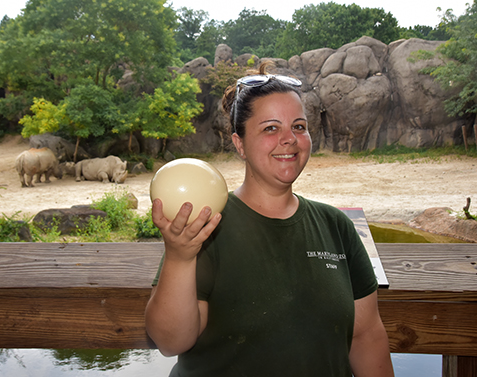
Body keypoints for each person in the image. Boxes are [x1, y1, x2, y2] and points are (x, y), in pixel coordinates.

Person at [145, 62, 394, 377]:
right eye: (271, 128)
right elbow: (170, 341)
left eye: (299, 126)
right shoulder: (207, 223)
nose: (289, 139)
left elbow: (366, 335)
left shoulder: (336, 226)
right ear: (240, 144)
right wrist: (180, 257)